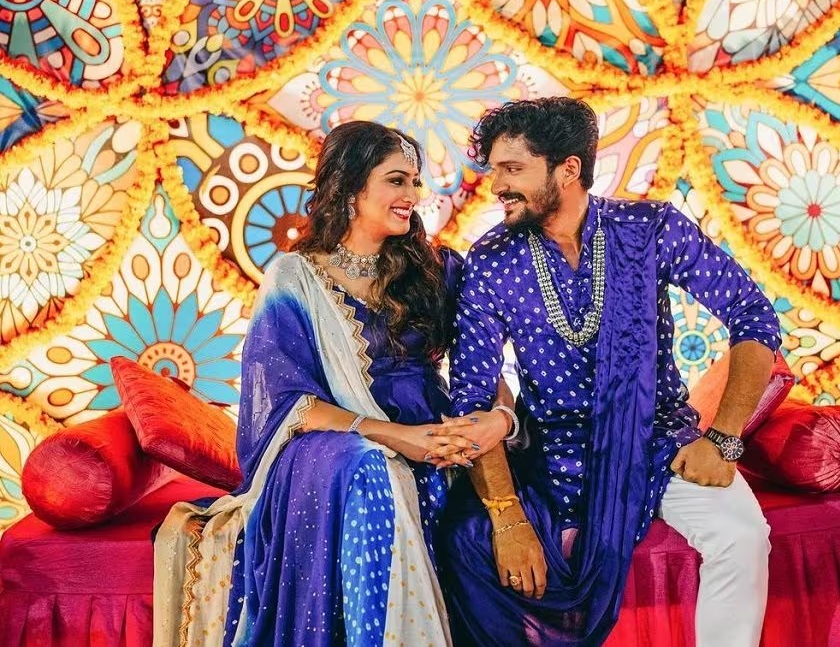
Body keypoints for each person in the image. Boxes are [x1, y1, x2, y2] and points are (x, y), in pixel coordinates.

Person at [437, 97, 782, 647]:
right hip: (553, 456)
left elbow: (753, 314)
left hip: (657, 439)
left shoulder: (648, 229)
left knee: (742, 537)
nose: (497, 185)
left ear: (568, 169)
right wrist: (507, 517)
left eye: (512, 169)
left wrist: (723, 438)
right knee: (466, 544)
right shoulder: (492, 260)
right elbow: (472, 399)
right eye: (495, 170)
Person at [153, 121, 480, 647]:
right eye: (396, 180)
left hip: (430, 439)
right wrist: (397, 437)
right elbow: (289, 402)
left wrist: (485, 425)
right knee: (368, 467)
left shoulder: (437, 270)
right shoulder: (296, 277)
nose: (412, 195)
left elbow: (482, 363)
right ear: (351, 188)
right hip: (329, 444)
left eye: (415, 182)